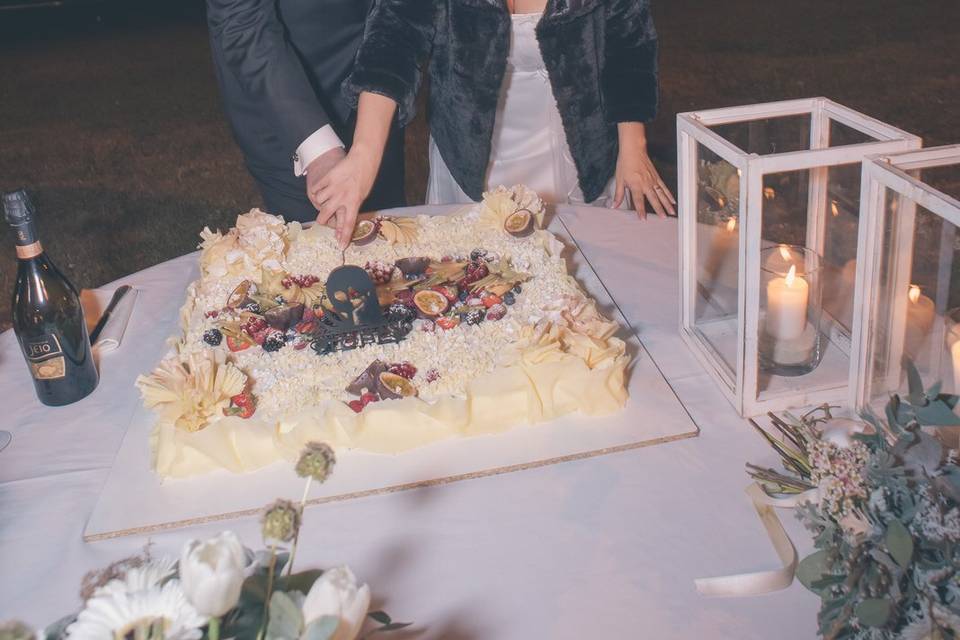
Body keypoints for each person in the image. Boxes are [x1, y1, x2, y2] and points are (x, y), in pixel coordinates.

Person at [313, 0, 675, 243]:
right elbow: (393, 42)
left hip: (581, 147)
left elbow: (630, 41)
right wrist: (362, 155)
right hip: (470, 151)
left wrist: (633, 144)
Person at [205, 0, 407, 230]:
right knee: (318, 249)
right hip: (285, 103)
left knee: (389, 235)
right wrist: (320, 152)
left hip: (380, 93)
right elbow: (241, 20)